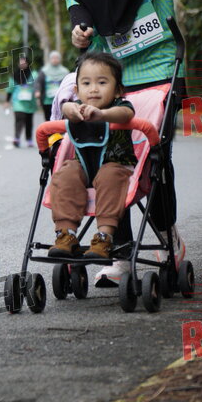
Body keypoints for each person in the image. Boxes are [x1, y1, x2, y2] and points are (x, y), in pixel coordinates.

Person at [51, 0, 202, 283]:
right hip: (106, 75)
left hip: (158, 67)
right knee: (108, 155)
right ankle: (119, 251)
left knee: (154, 159)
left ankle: (165, 235)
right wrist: (79, 31)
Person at [36, 52, 135, 257]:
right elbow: (66, 108)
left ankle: (104, 236)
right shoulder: (77, 108)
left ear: (118, 90)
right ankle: (66, 233)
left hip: (115, 165)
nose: (94, 89)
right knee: (65, 173)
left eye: (102, 82)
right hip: (83, 165)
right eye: (86, 83)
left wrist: (102, 114)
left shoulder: (120, 106)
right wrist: (68, 108)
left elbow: (127, 115)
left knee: (110, 175)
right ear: (77, 90)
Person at [4, 53, 38, 147]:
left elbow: (38, 86)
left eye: (24, 63)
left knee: (28, 120)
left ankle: (29, 139)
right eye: (20, 63)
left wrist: (38, 95)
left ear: (28, 63)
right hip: (18, 101)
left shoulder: (34, 74)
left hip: (30, 102)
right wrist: (7, 101)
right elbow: (10, 88)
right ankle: (17, 138)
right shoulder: (14, 75)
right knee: (19, 118)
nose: (22, 64)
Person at [35, 51, 69, 121]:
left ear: (60, 59)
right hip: (47, 100)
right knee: (48, 119)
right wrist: (38, 91)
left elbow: (68, 84)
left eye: (57, 58)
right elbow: (39, 82)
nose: (55, 60)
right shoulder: (44, 71)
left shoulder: (65, 72)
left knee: (59, 118)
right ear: (50, 59)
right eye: (53, 58)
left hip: (60, 100)